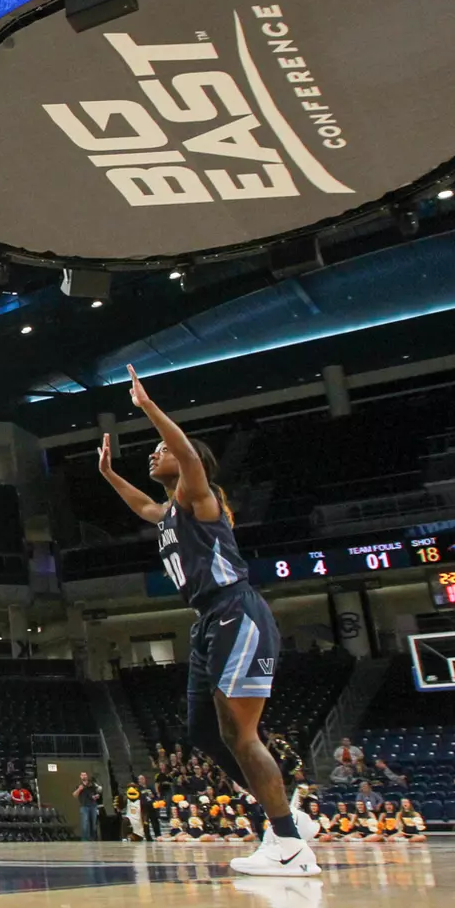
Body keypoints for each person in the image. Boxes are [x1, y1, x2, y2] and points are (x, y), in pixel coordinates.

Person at [95, 366, 317, 877]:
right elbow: (143, 505)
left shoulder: (201, 497)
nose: (155, 453)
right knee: (201, 730)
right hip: (208, 619)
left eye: (161, 450)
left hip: (237, 610)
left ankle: (287, 843)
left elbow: (190, 456)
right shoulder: (170, 512)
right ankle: (291, 819)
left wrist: (149, 408)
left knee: (241, 733)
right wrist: (108, 473)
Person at [73, 771, 102, 841]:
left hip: (93, 806)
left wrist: (97, 796)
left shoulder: (92, 785)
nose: (84, 776)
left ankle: (93, 839)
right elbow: (74, 795)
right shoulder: (79, 785)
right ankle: (85, 839)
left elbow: (98, 791)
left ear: (87, 776)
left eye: (85, 775)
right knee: (85, 823)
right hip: (84, 806)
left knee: (93, 823)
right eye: (82, 775)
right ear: (80, 777)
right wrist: (79, 789)